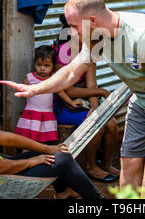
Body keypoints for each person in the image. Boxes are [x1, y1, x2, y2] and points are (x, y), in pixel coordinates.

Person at [1, 0, 145, 199]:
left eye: (75, 26)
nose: (73, 32)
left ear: (93, 20)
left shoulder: (143, 35)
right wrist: (34, 88)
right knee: (129, 160)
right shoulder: (97, 37)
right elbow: (71, 72)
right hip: (142, 98)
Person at [0, 86, 104, 199]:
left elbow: (9, 138)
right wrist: (32, 161)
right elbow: (1, 167)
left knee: (55, 151)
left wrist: (47, 148)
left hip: (4, 170)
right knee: (64, 160)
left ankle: (63, 193)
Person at [53, 14, 119, 181]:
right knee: (96, 125)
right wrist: (101, 93)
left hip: (82, 102)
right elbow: (69, 91)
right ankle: (90, 166)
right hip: (63, 105)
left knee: (111, 124)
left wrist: (94, 108)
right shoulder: (62, 53)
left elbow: (91, 85)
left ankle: (105, 164)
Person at [15, 45, 81, 143]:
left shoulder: (52, 79)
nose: (42, 68)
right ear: (34, 64)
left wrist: (71, 102)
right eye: (39, 65)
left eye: (46, 66)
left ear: (53, 66)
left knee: (45, 142)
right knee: (28, 142)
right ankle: (27, 157)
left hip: (47, 115)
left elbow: (60, 91)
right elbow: (23, 90)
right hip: (32, 115)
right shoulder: (29, 78)